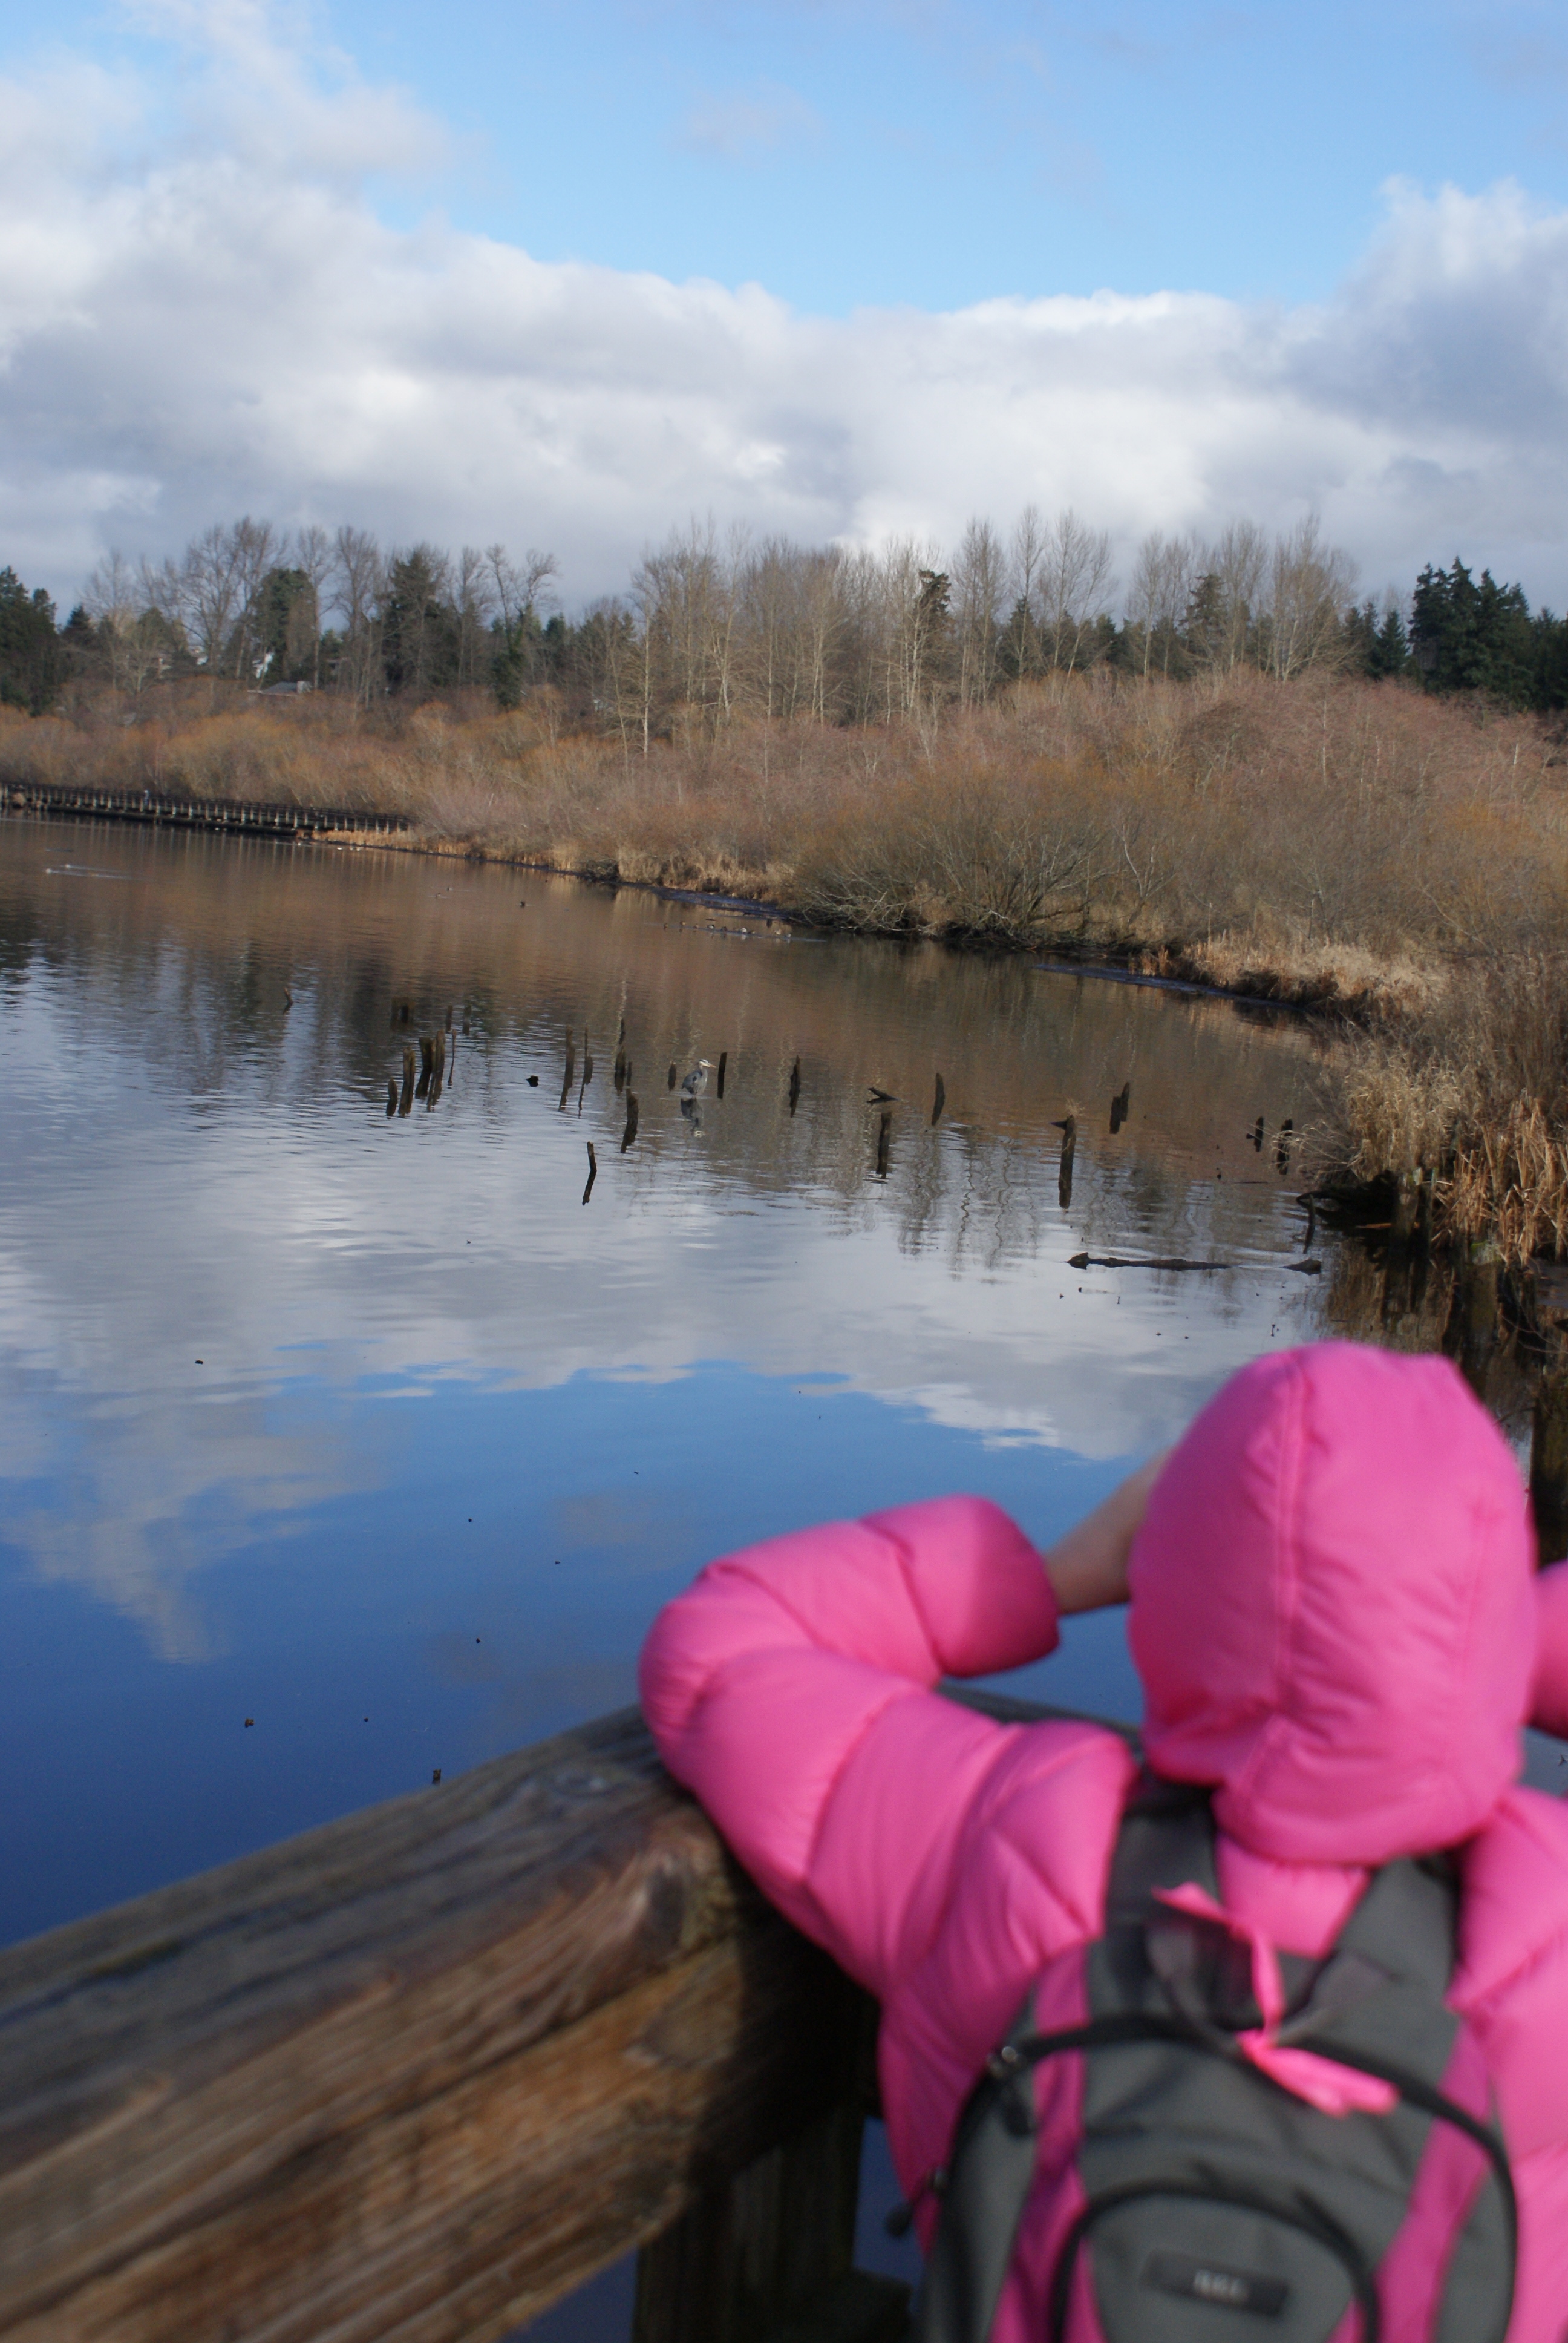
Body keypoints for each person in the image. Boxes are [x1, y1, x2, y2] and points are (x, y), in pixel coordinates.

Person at [639, 1342, 1568, 2340]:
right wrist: (1484, 1649)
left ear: (1173, 1569)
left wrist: (1057, 1573)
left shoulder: (1017, 1838)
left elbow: (720, 1648)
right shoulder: (1540, 1917)